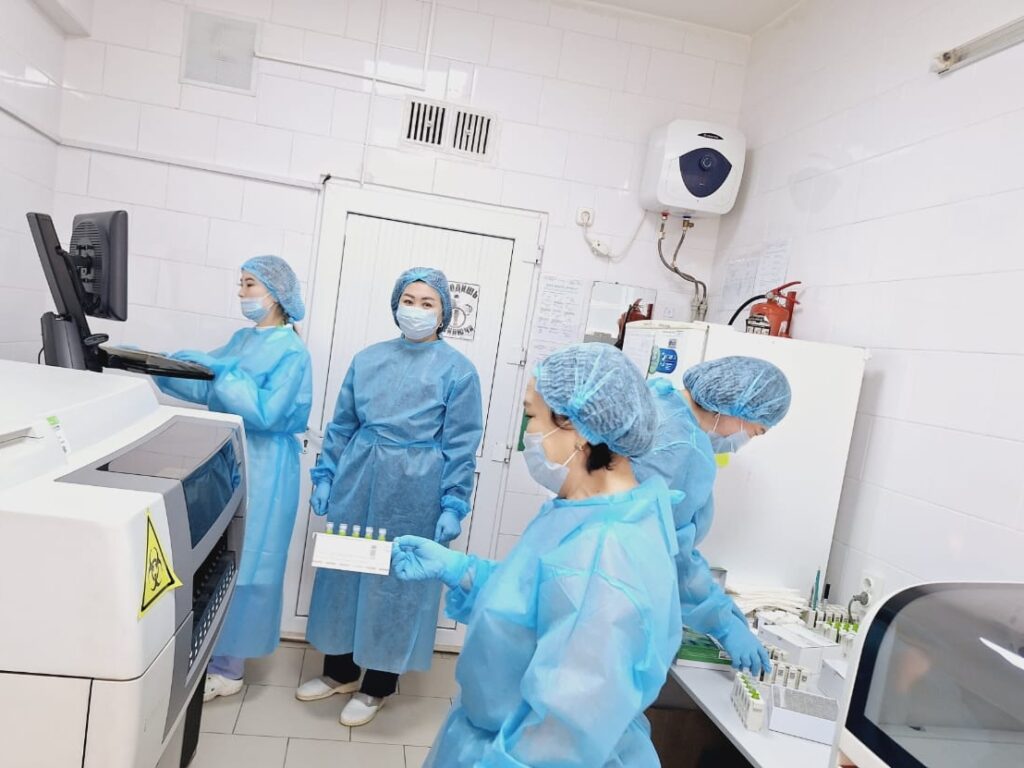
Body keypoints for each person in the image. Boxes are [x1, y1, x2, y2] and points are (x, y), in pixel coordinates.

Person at [391, 343, 682, 767]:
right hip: (504, 732)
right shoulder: (587, 512)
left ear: (577, 427)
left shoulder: (605, 550)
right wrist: (463, 572)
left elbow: (564, 726)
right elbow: (542, 602)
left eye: (532, 415)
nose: (527, 432)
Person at [298, 267, 483, 727]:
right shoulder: (367, 359)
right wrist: (326, 475)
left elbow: (461, 443)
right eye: (409, 299)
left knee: (396, 583)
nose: (416, 310)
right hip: (358, 478)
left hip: (415, 487)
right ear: (395, 304)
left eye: (428, 303)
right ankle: (338, 670)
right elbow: (342, 425)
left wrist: (453, 502)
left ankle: (378, 683)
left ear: (444, 314)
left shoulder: (459, 371)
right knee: (345, 572)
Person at [154, 255, 312, 701]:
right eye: (241, 284)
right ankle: (208, 652)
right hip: (229, 457)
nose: (242, 293)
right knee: (219, 555)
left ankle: (231, 666)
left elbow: (267, 412)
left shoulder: (293, 351)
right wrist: (160, 368)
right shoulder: (243, 339)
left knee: (251, 563)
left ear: (276, 294)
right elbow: (209, 387)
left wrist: (226, 372)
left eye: (249, 285)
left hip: (267, 466)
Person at [632, 355, 792, 675]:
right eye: (756, 431)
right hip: (623, 598)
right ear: (736, 407)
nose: (744, 441)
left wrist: (728, 613)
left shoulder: (658, 400)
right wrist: (724, 623)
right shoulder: (685, 450)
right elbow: (669, 552)